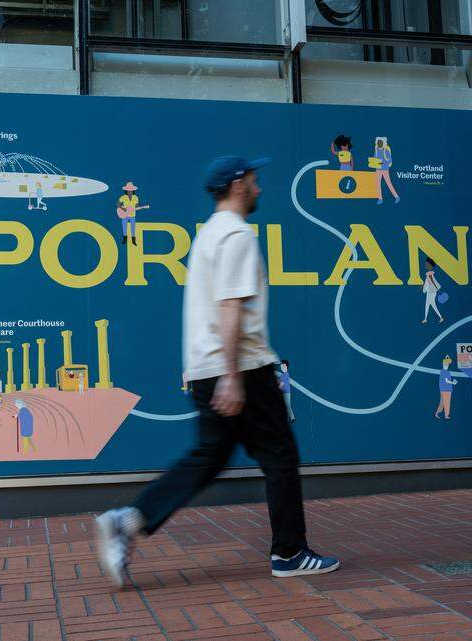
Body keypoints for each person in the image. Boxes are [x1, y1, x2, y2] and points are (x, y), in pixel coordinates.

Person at [94, 155, 339, 588]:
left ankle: (129, 520)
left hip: (207, 367)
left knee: (209, 457)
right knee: (280, 456)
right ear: (239, 183)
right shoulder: (237, 235)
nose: (260, 188)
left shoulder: (207, 235)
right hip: (240, 366)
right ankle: (289, 552)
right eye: (256, 180)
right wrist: (232, 376)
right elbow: (231, 307)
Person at [372, 137, 400, 205]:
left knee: (388, 183)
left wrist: (382, 163)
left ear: (383, 143)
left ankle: (397, 197)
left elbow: (390, 160)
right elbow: (375, 159)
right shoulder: (376, 150)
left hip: (384, 169)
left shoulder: (386, 151)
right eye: (378, 142)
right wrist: (373, 163)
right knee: (377, 184)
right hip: (378, 169)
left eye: (380, 142)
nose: (379, 144)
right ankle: (380, 199)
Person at [422, 258, 444, 324]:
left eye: (427, 264)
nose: (426, 265)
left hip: (432, 292)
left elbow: (432, 281)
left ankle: (440, 317)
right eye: (425, 263)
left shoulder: (430, 274)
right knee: (429, 305)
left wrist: (437, 288)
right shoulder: (428, 274)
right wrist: (422, 286)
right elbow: (427, 281)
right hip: (429, 292)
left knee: (431, 305)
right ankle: (426, 318)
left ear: (430, 265)